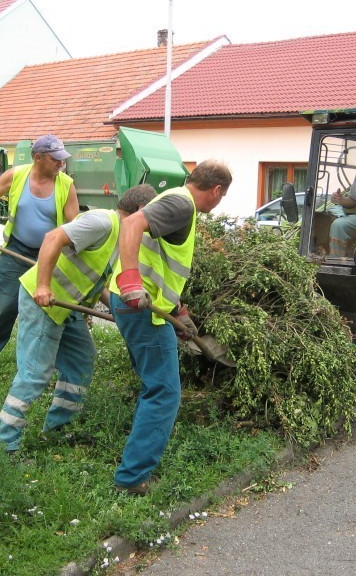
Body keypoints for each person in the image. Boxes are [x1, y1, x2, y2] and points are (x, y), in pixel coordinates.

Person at [0, 184, 158, 453]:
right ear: (141, 211)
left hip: (68, 307)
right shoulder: (102, 222)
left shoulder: (123, 237)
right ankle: (4, 444)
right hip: (44, 302)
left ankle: (58, 429)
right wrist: (43, 286)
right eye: (152, 219)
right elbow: (52, 239)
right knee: (35, 373)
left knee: (81, 362)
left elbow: (99, 284)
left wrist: (122, 313)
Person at [109, 160, 232, 495]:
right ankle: (132, 479)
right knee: (164, 392)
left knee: (154, 384)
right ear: (216, 191)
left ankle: (134, 459)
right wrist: (131, 279)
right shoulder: (183, 204)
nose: (217, 203)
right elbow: (131, 224)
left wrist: (179, 311)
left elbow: (158, 259)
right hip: (139, 306)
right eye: (221, 197)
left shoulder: (175, 199)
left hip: (140, 304)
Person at [0, 134, 79, 382]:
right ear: (38, 158)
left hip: (50, 257)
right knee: (1, 308)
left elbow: (74, 224)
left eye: (62, 159)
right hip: (16, 252)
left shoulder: (66, 184)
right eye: (55, 159)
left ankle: (57, 366)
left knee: (54, 311)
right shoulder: (17, 176)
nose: (61, 164)